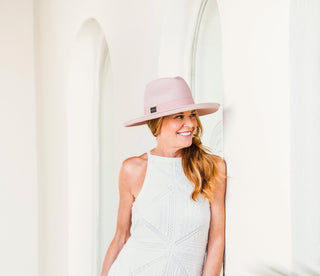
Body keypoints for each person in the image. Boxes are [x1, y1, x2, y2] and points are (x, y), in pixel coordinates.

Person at [100, 76, 227, 276]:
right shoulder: (133, 169)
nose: (190, 124)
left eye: (192, 115)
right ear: (157, 124)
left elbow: (216, 240)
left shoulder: (212, 167)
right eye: (179, 116)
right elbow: (121, 237)